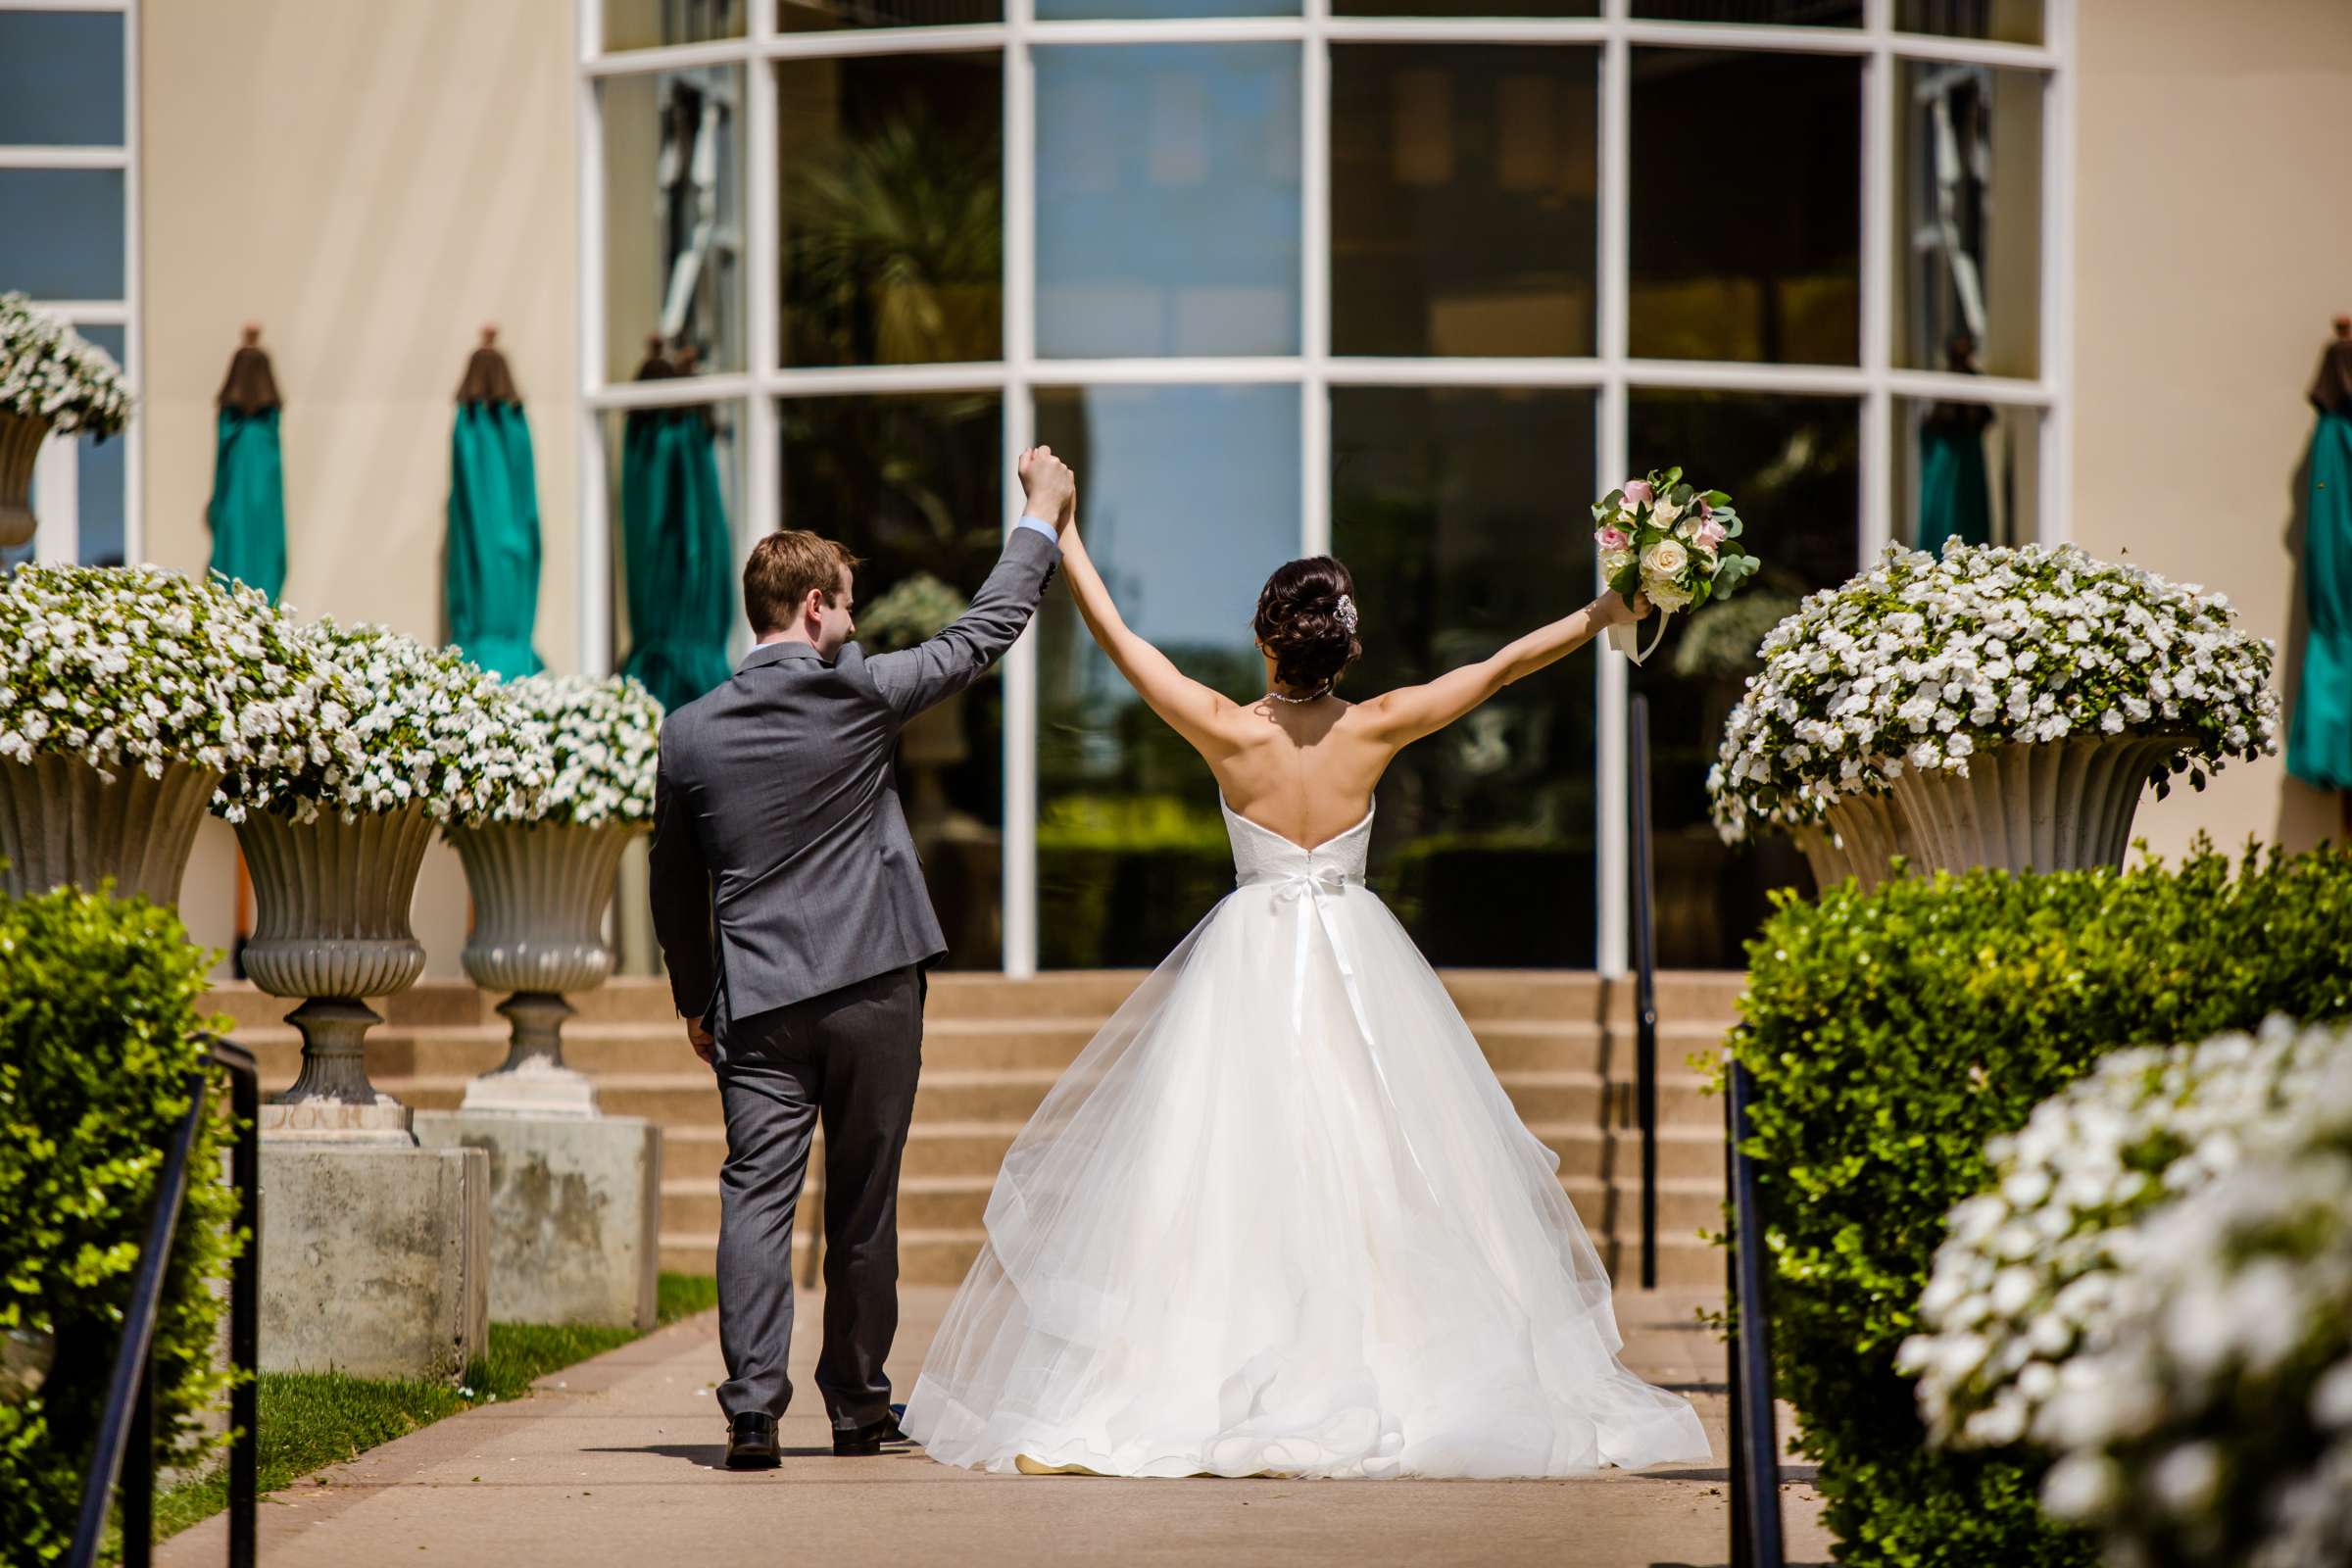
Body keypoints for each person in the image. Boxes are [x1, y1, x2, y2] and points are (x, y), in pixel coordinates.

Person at [902, 510, 1711, 1479]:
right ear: (1346, 646)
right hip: (1358, 959)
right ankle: (1393, 1362)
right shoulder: (1377, 725)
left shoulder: (1224, 731)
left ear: (1262, 639)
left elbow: (1119, 641)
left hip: (1248, 959)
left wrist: (1062, 528)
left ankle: (1216, 1369)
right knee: (1380, 1156)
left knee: (1219, 1166)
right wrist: (1603, 610)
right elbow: (1500, 667)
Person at [647, 448, 1075, 1470]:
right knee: (862, 1203)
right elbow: (985, 633)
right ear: (807, 608)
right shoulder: (863, 693)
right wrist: (1042, 516)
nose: (853, 625)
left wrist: (697, 999)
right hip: (877, 986)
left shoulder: (687, 735)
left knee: (755, 1194)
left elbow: (672, 889)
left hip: (757, 1001)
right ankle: (856, 1406)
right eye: (843, 608)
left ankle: (752, 1410)